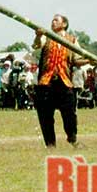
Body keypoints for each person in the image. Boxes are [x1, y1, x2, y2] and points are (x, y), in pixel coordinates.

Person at [32, 14, 80, 148]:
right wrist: (37, 35)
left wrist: (90, 61)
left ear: (64, 24)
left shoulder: (72, 40)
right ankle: (50, 145)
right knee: (45, 115)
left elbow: (77, 60)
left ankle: (72, 137)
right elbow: (36, 45)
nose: (52, 22)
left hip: (64, 81)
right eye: (52, 20)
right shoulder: (45, 36)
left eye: (56, 20)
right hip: (46, 82)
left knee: (70, 113)